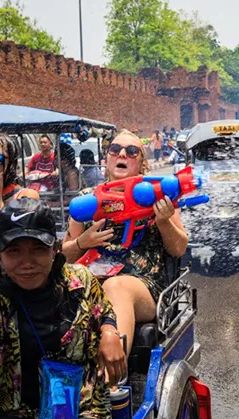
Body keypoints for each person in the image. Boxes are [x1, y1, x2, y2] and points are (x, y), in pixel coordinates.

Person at [0, 198, 125, 419]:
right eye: (14, 251)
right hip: (16, 416)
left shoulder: (81, 282)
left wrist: (110, 332)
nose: (27, 262)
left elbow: (104, 310)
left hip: (80, 414)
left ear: (55, 250)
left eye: (38, 249)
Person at [62, 130, 188, 356]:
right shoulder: (88, 199)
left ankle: (112, 381)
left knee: (115, 286)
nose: (122, 154)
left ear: (141, 163)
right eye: (115, 149)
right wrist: (83, 242)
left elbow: (178, 248)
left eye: (131, 151)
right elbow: (64, 256)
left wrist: (164, 221)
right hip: (90, 281)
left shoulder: (158, 195)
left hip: (140, 286)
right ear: (106, 158)